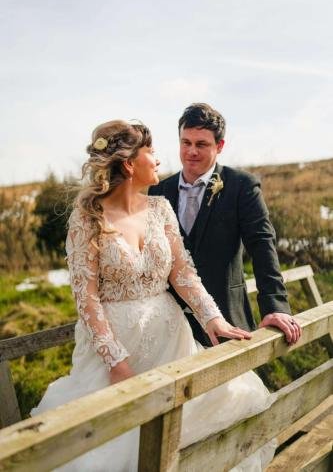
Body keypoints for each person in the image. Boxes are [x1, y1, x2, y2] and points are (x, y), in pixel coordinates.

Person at [31, 119, 277, 471]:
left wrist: (213, 318)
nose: (159, 159)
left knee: (216, 414)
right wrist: (115, 361)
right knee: (116, 446)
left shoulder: (160, 208)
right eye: (151, 151)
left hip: (172, 342)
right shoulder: (87, 218)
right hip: (117, 350)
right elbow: (85, 298)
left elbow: (183, 274)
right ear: (129, 163)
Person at [149, 103, 301, 347]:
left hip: (227, 319)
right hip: (171, 326)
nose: (191, 152)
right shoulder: (158, 190)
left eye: (201, 144)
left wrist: (275, 306)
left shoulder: (242, 186)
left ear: (219, 146)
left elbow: (262, 245)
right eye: (185, 142)